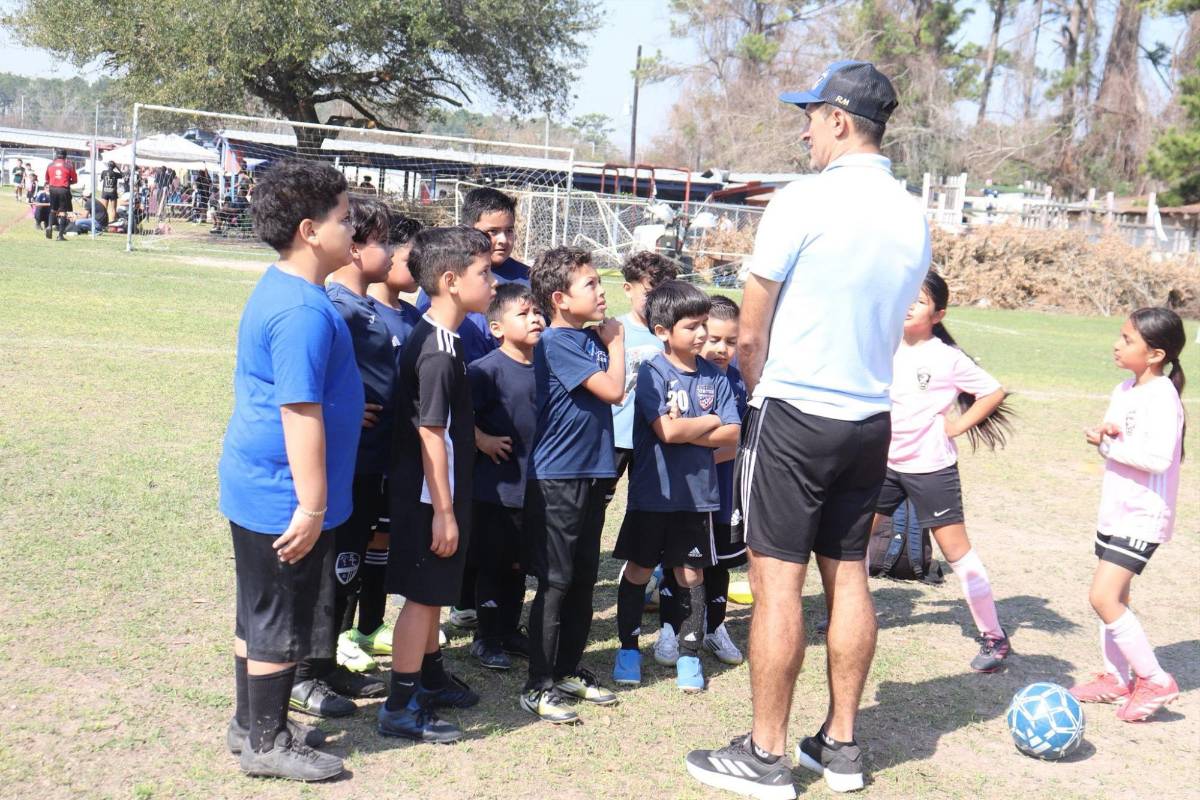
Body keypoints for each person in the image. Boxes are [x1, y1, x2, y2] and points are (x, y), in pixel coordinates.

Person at [685, 60, 929, 798]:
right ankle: (842, 747)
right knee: (848, 571)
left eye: (812, 115)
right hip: (868, 417)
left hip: (797, 412)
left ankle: (766, 755)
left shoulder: (803, 200)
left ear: (841, 121)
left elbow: (750, 335)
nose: (804, 128)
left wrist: (759, 396)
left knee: (777, 579)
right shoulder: (912, 211)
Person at [216, 160, 360, 782]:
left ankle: (250, 722)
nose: (353, 230)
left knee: (258, 610)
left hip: (258, 482)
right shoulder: (302, 310)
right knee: (278, 617)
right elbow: (299, 411)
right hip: (282, 492)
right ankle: (269, 743)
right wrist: (311, 506)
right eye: (345, 219)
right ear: (309, 229)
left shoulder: (288, 288)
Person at [378, 226, 496, 743]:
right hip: (429, 498)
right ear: (451, 281)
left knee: (432, 594)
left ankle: (427, 680)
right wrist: (444, 511)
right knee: (423, 599)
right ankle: (399, 707)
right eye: (484, 273)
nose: (493, 282)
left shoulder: (442, 338)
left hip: (435, 494)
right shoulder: (438, 352)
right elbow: (431, 432)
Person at [283, 197, 394, 718]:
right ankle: (303, 673)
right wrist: (344, 410)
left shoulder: (369, 307)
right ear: (353, 248)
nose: (392, 252)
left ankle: (326, 664)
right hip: (342, 465)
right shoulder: (333, 307)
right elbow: (306, 387)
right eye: (382, 240)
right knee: (329, 566)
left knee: (347, 567)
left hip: (369, 462)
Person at [875, 270, 1013, 671]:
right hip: (882, 463)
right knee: (851, 542)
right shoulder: (884, 346)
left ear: (938, 315)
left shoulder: (947, 358)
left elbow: (993, 391)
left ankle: (994, 636)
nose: (906, 307)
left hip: (930, 468)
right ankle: (845, 613)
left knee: (957, 552)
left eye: (917, 302)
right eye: (904, 298)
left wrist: (955, 426)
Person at [611, 281, 740, 692]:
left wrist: (691, 430)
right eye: (693, 327)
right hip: (653, 497)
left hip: (697, 498)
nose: (702, 335)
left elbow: (734, 433)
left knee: (690, 574)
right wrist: (709, 423)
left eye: (704, 324)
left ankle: (689, 654)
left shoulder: (715, 377)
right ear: (663, 330)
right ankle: (628, 648)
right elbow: (665, 431)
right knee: (640, 570)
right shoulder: (651, 372)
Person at [418, 187, 532, 631]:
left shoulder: (524, 279)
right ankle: (461, 598)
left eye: (508, 231)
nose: (501, 240)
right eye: (491, 231)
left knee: (496, 522)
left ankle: (492, 605)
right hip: (460, 423)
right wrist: (475, 435)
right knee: (463, 509)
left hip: (509, 425)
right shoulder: (448, 286)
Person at [521, 246, 625, 724]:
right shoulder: (558, 340)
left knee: (583, 577)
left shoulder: (585, 338)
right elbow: (613, 390)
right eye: (591, 285)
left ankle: (567, 670)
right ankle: (537, 685)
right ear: (560, 299)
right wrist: (617, 344)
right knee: (557, 581)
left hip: (592, 473)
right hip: (557, 477)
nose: (601, 292)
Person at [1070, 307, 1186, 722]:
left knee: (1101, 597)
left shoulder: (1163, 396)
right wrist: (1106, 433)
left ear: (1155, 354)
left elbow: (1157, 458)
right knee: (1115, 598)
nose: (1117, 345)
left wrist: (1108, 447)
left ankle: (1155, 679)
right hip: (1115, 511)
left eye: (1127, 340)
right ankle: (1117, 678)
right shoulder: (1124, 389)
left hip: (1143, 515)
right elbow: (1118, 430)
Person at [466, 283, 544, 670]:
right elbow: (454, 419)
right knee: (493, 564)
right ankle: (487, 636)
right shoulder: (484, 371)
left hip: (534, 488)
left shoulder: (548, 367)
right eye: (524, 314)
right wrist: (481, 440)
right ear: (496, 328)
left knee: (519, 565)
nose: (535, 319)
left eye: (537, 313)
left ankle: (511, 629)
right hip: (495, 490)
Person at [696, 295, 748, 666]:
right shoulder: (681, 375)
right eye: (714, 339)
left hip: (724, 488)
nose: (722, 349)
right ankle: (675, 629)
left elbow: (738, 438)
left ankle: (716, 627)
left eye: (731, 341)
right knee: (679, 562)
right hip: (685, 490)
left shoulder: (742, 381)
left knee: (719, 563)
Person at [44, 149, 78, 241]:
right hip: (63, 189)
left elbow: (47, 179)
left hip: (52, 188)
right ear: (65, 156)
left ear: (56, 155)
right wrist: (67, 182)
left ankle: (49, 226)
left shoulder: (50, 165)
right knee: (63, 212)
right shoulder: (69, 166)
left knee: (53, 209)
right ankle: (60, 236)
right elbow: (75, 180)